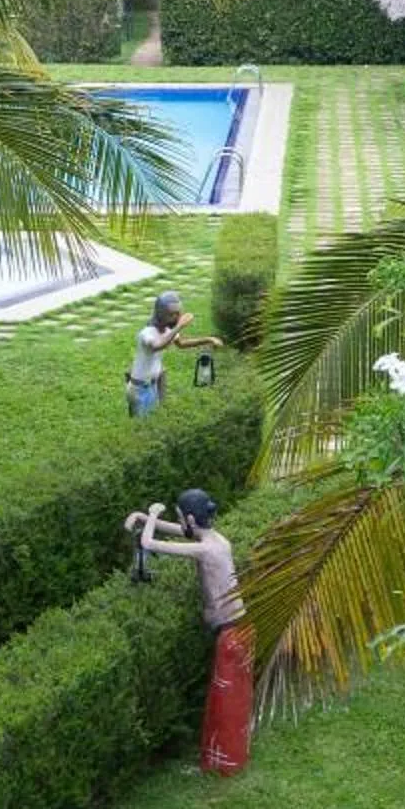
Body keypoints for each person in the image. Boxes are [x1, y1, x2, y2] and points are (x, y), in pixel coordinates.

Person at [126, 488, 250, 774]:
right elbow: (176, 531)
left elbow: (150, 544)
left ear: (191, 519)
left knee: (224, 699)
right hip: (232, 625)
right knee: (223, 695)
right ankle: (219, 756)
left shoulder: (205, 549)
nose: (180, 522)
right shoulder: (215, 539)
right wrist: (145, 517)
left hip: (227, 630)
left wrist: (154, 515)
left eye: (181, 517)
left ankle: (221, 762)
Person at [125, 290, 218, 417]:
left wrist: (208, 339)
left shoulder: (168, 330)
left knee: (152, 423)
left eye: (178, 313)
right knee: (143, 430)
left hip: (151, 386)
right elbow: (158, 346)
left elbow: (182, 343)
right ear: (160, 314)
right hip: (140, 389)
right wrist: (179, 326)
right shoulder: (147, 333)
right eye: (172, 314)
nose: (176, 317)